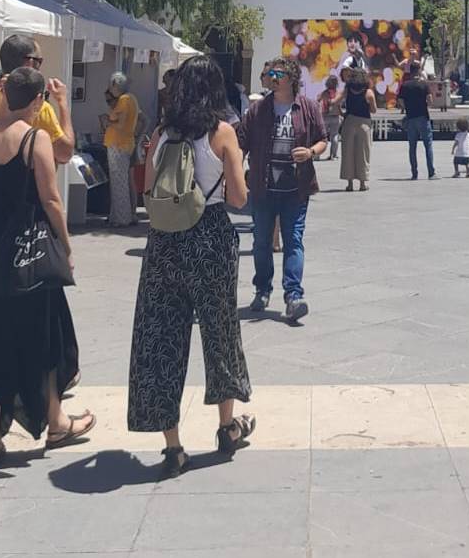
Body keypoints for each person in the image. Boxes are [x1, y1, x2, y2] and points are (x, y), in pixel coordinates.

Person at [0, 67, 93, 467]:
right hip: (25, 252)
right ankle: (56, 421)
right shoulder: (36, 139)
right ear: (36, 101)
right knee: (42, 337)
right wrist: (65, 247)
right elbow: (51, 200)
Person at [129, 56, 253, 480]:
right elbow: (238, 198)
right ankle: (226, 426)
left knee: (162, 339)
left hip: (165, 242)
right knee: (220, 333)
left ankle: (172, 445)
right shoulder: (222, 134)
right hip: (211, 239)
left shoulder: (161, 134)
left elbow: (146, 188)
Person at [0, 35, 74, 272]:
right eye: (38, 61)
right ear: (27, 63)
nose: (41, 66)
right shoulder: (39, 109)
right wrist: (63, 104)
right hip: (22, 220)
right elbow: (65, 153)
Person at [237, 56, 327, 323]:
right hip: (263, 187)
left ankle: (293, 296)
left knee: (294, 240)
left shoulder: (308, 108)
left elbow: (323, 139)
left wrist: (310, 151)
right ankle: (262, 289)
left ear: (290, 77)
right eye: (270, 74)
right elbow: (242, 142)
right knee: (261, 241)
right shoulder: (258, 109)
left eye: (276, 73)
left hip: (295, 187)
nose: (271, 78)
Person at [104, 72, 140, 227]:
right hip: (125, 143)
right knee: (121, 181)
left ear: (115, 85)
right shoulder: (131, 99)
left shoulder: (124, 100)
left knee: (119, 183)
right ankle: (118, 215)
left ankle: (122, 218)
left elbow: (120, 124)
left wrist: (107, 122)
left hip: (119, 144)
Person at [337, 67, 376, 191]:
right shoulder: (368, 92)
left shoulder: (347, 90)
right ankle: (363, 183)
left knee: (348, 153)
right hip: (364, 123)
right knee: (363, 153)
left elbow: (336, 102)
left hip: (349, 122)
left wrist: (341, 113)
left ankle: (349, 184)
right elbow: (373, 110)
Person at [398, 62, 436, 179]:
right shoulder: (424, 84)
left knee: (412, 147)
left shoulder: (405, 85)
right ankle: (431, 172)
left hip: (411, 118)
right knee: (428, 145)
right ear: (419, 70)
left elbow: (400, 101)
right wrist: (425, 104)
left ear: (410, 70)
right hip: (423, 117)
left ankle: (414, 173)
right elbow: (430, 101)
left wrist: (406, 107)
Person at [319, 74, 342, 160]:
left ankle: (317, 155)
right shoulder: (338, 93)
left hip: (325, 116)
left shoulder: (325, 93)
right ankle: (334, 155)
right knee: (335, 136)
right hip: (335, 116)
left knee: (321, 136)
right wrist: (342, 114)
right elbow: (339, 106)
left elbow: (318, 100)